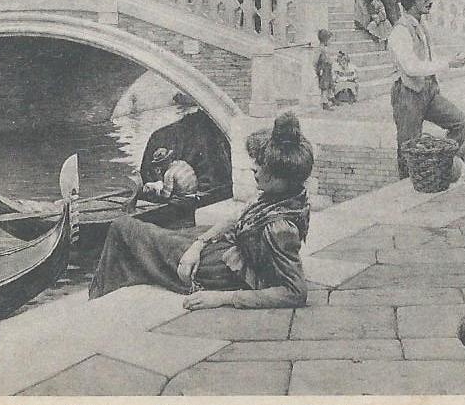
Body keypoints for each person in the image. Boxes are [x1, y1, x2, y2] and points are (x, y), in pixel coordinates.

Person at [90, 112, 312, 310]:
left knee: (123, 227)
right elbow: (237, 218)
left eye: (262, 165)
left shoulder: (280, 229)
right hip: (226, 249)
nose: (254, 167)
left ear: (280, 176)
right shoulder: (279, 197)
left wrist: (221, 298)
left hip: (222, 270)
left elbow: (295, 293)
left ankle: (98, 299)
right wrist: (199, 243)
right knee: (158, 238)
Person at [389, 0, 465, 178]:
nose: (430, 0)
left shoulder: (422, 27)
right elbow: (411, 67)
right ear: (410, 1)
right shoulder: (399, 32)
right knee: (408, 149)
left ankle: (441, 168)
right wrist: (447, 64)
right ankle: (406, 189)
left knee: (460, 123)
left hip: (428, 92)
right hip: (407, 96)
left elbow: (429, 57)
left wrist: (452, 60)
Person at [133, 148, 199, 206]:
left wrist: (154, 194)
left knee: (157, 201)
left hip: (184, 199)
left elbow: (165, 196)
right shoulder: (182, 163)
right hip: (193, 193)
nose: (159, 167)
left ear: (163, 163)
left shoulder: (169, 173)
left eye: (159, 164)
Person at [314, 29, 335, 110]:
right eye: (329, 40)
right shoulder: (321, 48)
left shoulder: (325, 48)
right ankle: (324, 102)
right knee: (324, 87)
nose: (330, 42)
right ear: (325, 39)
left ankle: (330, 98)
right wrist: (318, 69)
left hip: (328, 68)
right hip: (324, 69)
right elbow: (315, 61)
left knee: (329, 85)